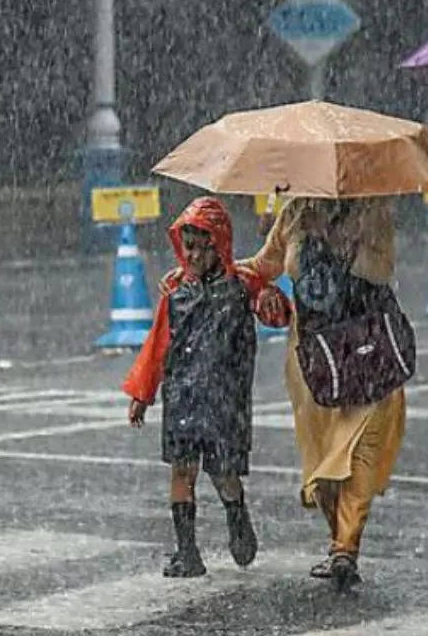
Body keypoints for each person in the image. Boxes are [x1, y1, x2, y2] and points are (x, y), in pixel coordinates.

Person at [244, 197, 407, 592]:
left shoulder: (374, 209)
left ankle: (345, 549)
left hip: (367, 347)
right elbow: (263, 265)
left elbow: (381, 269)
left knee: (359, 449)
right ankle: (340, 538)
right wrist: (213, 273)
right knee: (322, 458)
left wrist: (343, 239)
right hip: (314, 360)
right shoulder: (295, 212)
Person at [124, 197, 289, 578]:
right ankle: (187, 551)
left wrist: (268, 299)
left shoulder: (243, 284)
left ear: (220, 244)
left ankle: (236, 511)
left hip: (225, 398)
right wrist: (142, 394)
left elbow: (279, 315)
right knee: (182, 471)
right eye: (188, 247)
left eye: (202, 247)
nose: (193, 255)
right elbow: (157, 345)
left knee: (221, 472)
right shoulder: (176, 292)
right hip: (182, 395)